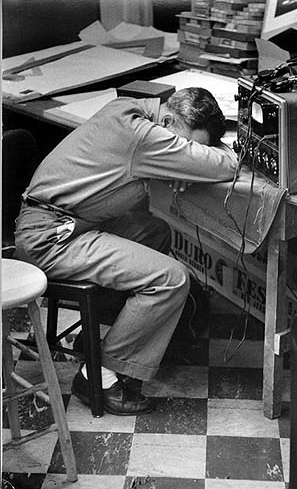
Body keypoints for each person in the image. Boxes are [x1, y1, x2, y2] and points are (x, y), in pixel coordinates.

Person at [14, 87, 237, 415]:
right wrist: (192, 161)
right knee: (171, 279)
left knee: (155, 232)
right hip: (50, 238)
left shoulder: (131, 109)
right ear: (168, 121)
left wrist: (181, 162)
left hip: (66, 219)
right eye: (187, 145)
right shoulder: (141, 135)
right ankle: (98, 375)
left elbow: (185, 159)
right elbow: (227, 165)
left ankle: (103, 337)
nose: (185, 151)